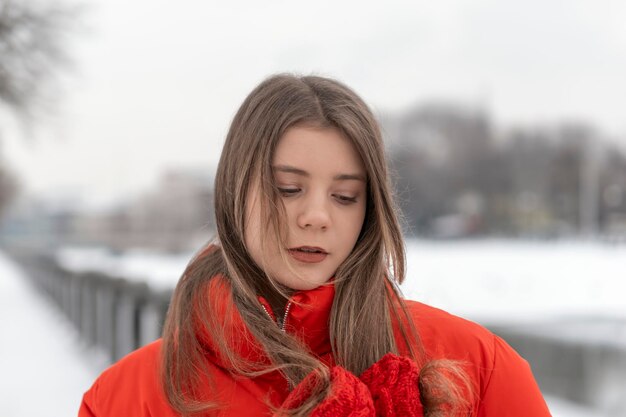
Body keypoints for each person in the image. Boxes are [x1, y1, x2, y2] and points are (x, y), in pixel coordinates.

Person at [78, 74, 551, 417]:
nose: (317, 216)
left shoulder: (476, 366)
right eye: (288, 189)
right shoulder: (126, 398)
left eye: (345, 196)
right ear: (233, 192)